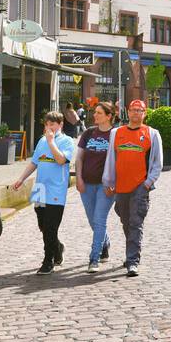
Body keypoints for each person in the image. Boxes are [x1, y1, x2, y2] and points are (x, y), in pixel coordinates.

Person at [102, 100, 164, 276]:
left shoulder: (152, 134)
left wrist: (147, 183)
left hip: (140, 186)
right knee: (126, 221)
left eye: (140, 110)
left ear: (144, 113)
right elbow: (110, 159)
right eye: (133, 110)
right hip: (120, 186)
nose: (136, 113)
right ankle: (132, 253)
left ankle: (132, 261)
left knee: (136, 223)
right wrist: (108, 182)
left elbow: (157, 163)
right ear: (127, 112)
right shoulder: (116, 133)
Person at [13, 111, 75, 275]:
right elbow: (34, 163)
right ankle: (58, 246)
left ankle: (48, 261)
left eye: (52, 125)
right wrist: (21, 179)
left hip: (56, 190)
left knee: (50, 227)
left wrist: (51, 141)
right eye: (46, 125)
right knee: (43, 225)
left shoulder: (67, 141)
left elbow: (61, 160)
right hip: (40, 190)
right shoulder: (41, 141)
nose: (48, 128)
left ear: (60, 125)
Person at [75, 101, 116, 273]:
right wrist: (79, 179)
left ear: (109, 116)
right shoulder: (89, 133)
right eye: (95, 112)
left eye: (99, 113)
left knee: (99, 220)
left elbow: (120, 161)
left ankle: (94, 258)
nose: (95, 115)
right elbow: (79, 159)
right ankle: (104, 243)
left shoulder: (116, 134)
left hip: (105, 186)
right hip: (86, 184)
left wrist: (114, 183)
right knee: (93, 221)